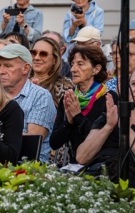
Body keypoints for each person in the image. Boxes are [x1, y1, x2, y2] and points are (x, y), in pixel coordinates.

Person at [49, 43, 118, 174]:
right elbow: (55, 142)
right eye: (73, 64)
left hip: (101, 166)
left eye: (80, 64)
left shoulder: (108, 98)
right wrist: (68, 122)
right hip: (75, 166)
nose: (73, 69)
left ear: (96, 69)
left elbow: (103, 140)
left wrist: (78, 117)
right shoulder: (69, 97)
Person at [0, 43, 57, 162]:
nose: (1, 71)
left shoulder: (40, 96)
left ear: (26, 68)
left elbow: (32, 141)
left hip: (28, 165)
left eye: (8, 66)